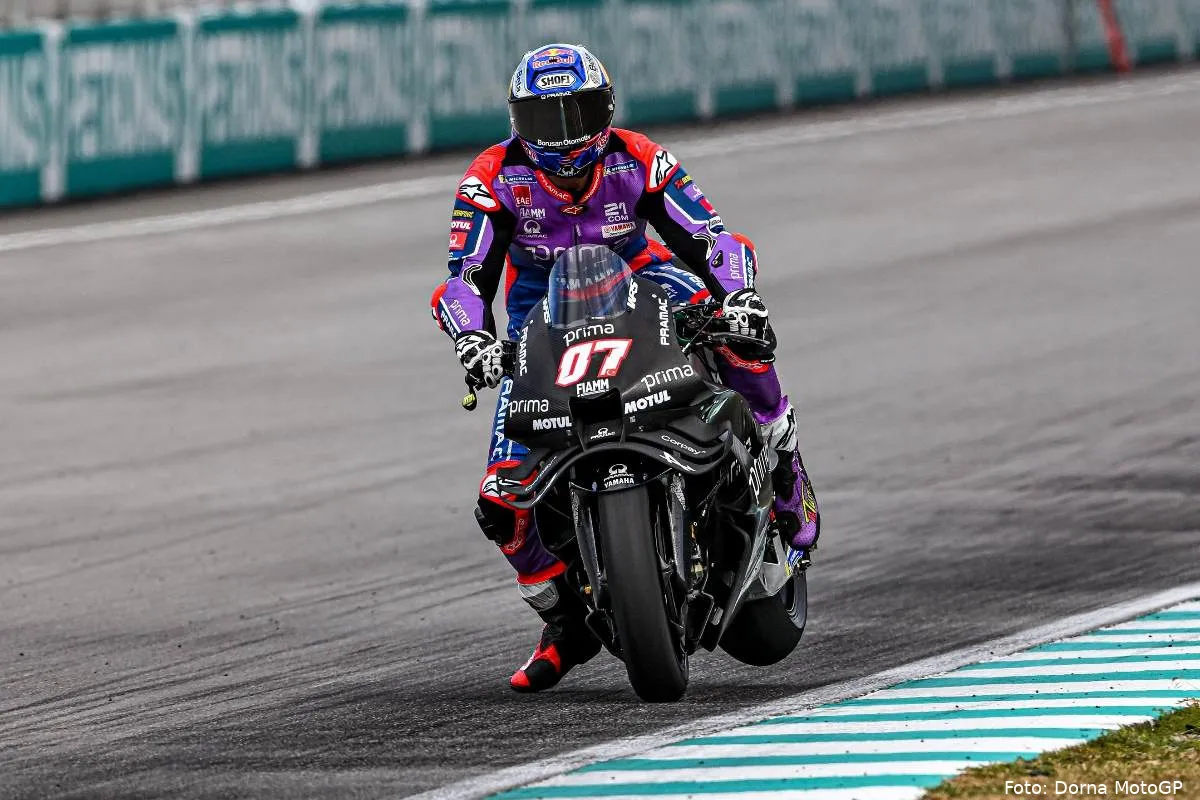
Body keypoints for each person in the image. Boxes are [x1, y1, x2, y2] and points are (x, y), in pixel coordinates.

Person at [429, 43, 820, 693]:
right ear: (515, 122)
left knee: (741, 335)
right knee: (501, 501)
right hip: (540, 318)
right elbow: (463, 279)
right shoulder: (491, 177)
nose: (563, 137)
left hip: (645, 285)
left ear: (605, 111)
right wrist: (472, 339)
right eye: (543, 120)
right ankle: (564, 620)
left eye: (577, 113)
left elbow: (712, 236)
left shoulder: (637, 156)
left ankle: (783, 456)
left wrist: (739, 296)